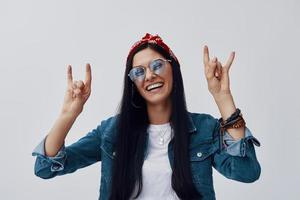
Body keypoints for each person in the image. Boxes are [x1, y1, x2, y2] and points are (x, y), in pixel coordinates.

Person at [32, 33, 261, 200]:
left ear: (173, 70)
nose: (149, 75)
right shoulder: (112, 131)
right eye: (139, 71)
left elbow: (246, 171)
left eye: (157, 65)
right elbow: (45, 168)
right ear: (133, 82)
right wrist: (68, 114)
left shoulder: (204, 129)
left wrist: (223, 98)